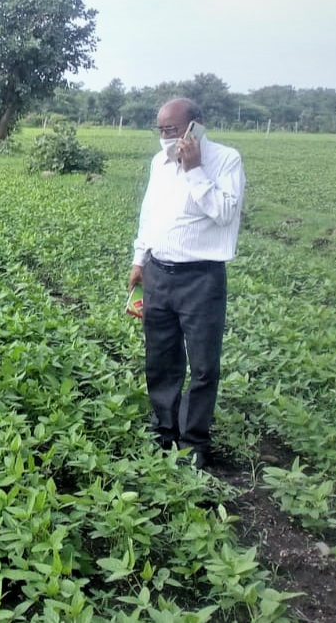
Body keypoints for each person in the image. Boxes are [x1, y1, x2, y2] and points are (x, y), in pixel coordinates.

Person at [128, 97, 245, 468]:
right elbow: (151, 212)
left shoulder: (226, 160)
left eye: (172, 129)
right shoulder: (158, 164)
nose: (165, 137)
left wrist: (194, 169)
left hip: (202, 279)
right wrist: (138, 258)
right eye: (160, 129)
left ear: (196, 125)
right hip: (159, 272)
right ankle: (163, 429)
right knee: (161, 357)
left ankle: (193, 441)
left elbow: (225, 214)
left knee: (204, 364)